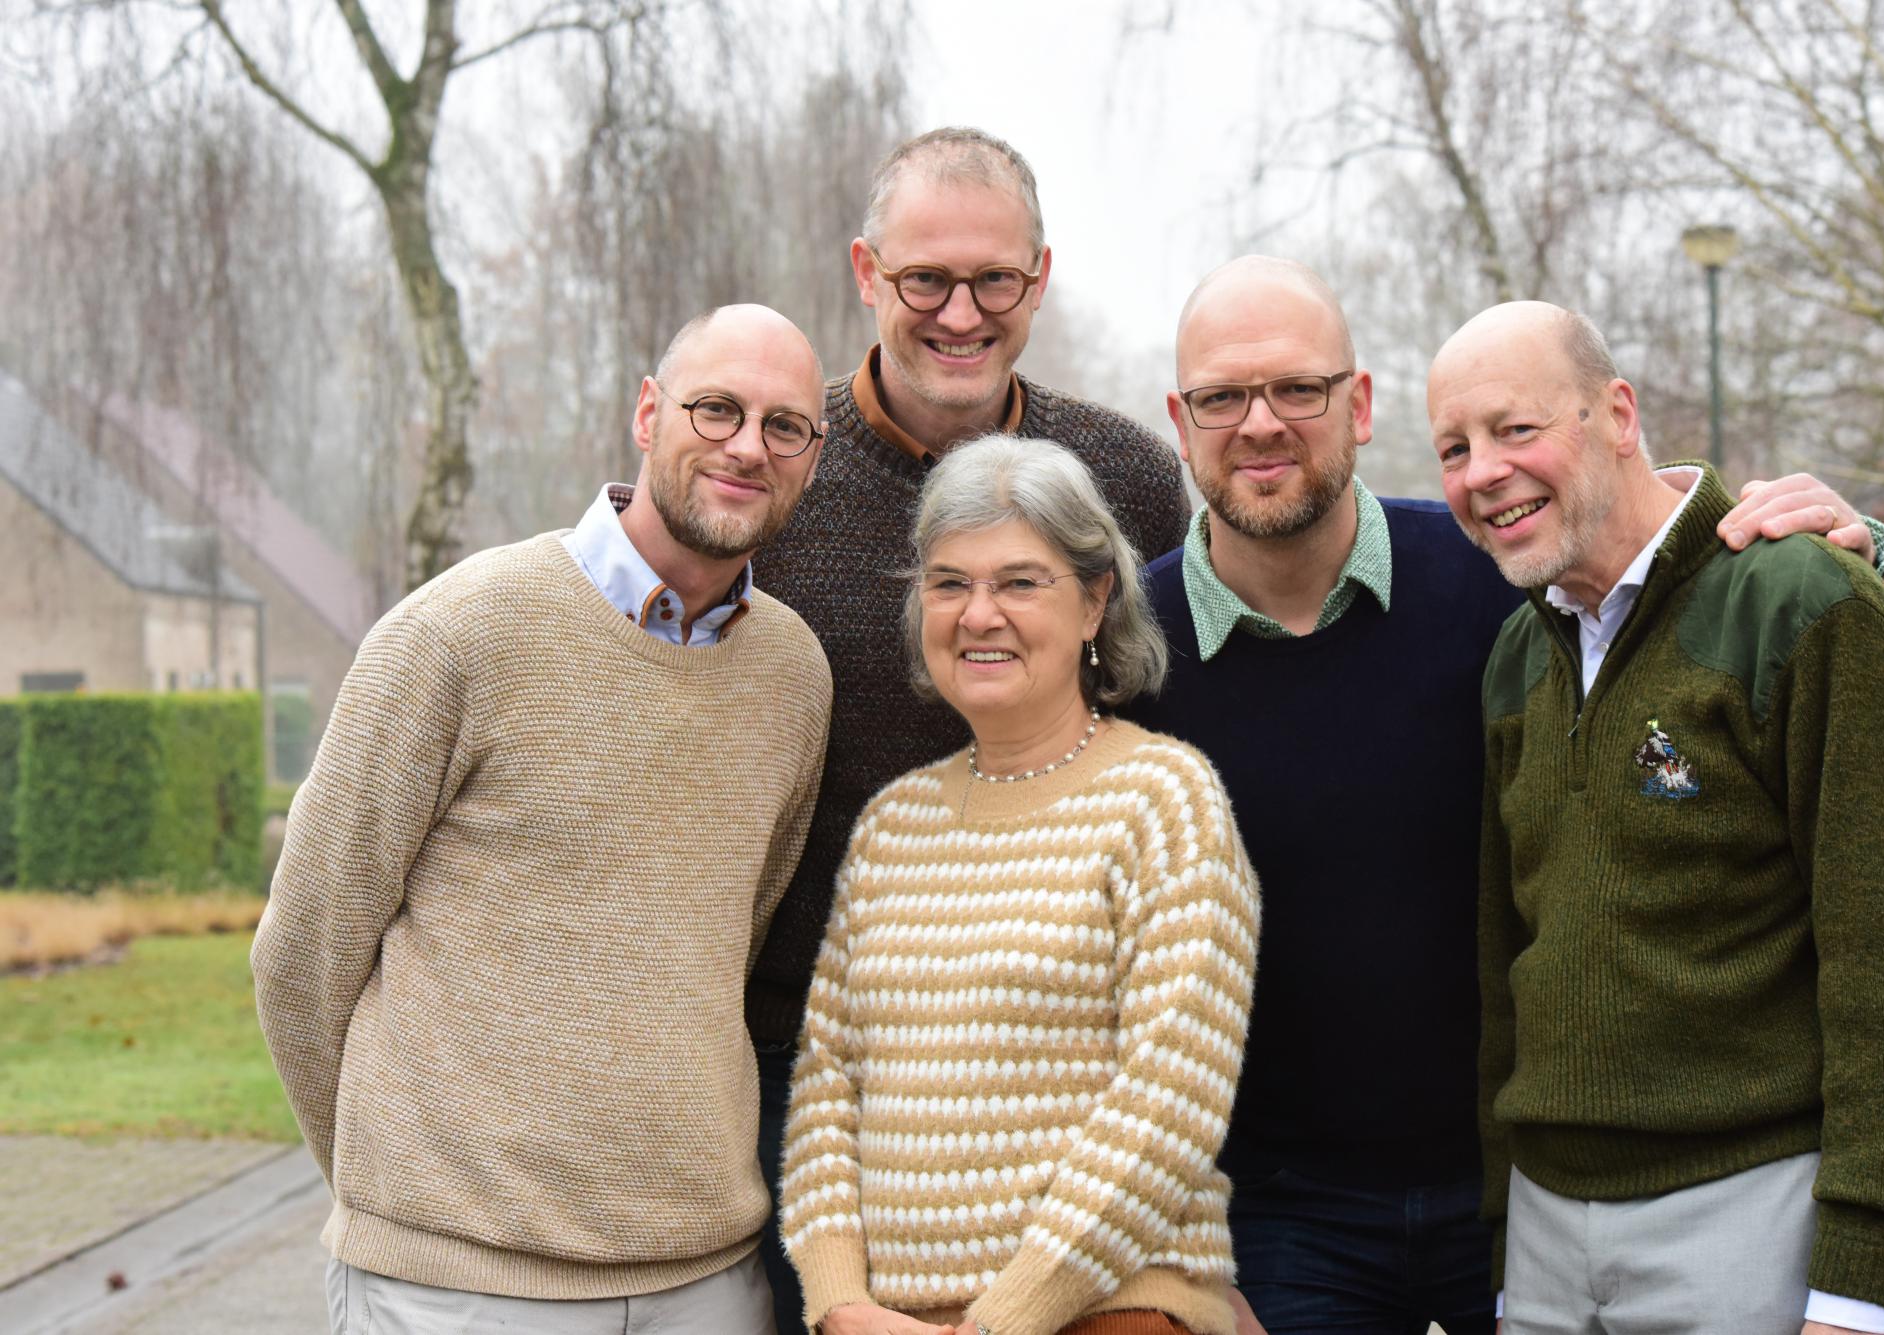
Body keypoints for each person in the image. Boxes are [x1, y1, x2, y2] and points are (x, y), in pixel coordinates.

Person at [1122, 256, 1884, 1335]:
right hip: (1284, 1216)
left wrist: (1841, 558)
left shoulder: (1490, 574)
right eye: (1220, 396)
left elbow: (1657, 586)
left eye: (1297, 389)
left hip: (1513, 1180)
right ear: (1179, 416)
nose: (1260, 422)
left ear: (1356, 403)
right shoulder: (1128, 653)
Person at [253, 304, 834, 1333]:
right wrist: (399, 1196)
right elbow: (302, 952)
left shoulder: (792, 675)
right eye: (716, 409)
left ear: (810, 456)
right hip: (453, 1289)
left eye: (785, 425)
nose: (748, 445)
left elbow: (720, 946)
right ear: (648, 414)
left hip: (705, 1281)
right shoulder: (456, 635)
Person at [1427, 300, 1884, 1334]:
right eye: (1452, 448)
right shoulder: (1517, 655)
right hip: (1544, 1243)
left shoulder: (1799, 603)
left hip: (1746, 1219)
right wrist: (1506, 1252)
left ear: (1617, 414)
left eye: (1514, 429)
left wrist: (1856, 1291)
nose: (1479, 472)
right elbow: (1505, 974)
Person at [748, 127, 1191, 1327]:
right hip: (808, 1080)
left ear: (1038, 278)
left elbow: (1247, 616)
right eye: (923, 280)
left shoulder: (1129, 480)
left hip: (1060, 1084)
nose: (959, 312)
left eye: (994, 280)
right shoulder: (776, 476)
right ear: (864, 272)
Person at [778, 436, 1259, 1335]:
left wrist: (1006, 1318)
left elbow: (1171, 1098)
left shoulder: (1163, 800)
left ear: (1095, 600)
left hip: (1109, 1312)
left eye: (1021, 582)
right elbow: (826, 1089)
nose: (979, 614)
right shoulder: (892, 826)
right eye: (950, 582)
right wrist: (840, 1300)